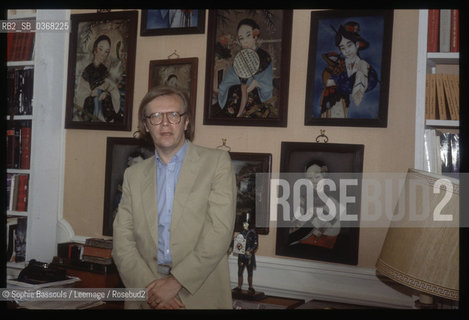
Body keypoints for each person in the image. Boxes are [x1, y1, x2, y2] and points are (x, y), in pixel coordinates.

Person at [112, 85, 237, 309]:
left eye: (174, 115)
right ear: (146, 126)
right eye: (156, 116)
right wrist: (153, 288)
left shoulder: (217, 163)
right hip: (145, 295)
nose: (166, 123)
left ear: (186, 122)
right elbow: (122, 243)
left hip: (199, 293)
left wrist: (175, 283)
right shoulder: (133, 175)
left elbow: (219, 233)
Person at [215, 18, 273, 118]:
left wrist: (256, 84)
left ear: (255, 36)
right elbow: (227, 83)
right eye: (241, 38)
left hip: (256, 102)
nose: (245, 41)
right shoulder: (239, 58)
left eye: (248, 36)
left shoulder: (264, 57)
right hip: (236, 100)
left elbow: (267, 87)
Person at [319, 21, 378, 118]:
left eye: (349, 45)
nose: (346, 50)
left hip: (351, 109)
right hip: (335, 105)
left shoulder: (365, 67)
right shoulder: (339, 66)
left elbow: (370, 83)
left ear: (357, 45)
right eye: (342, 47)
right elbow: (329, 82)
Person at [287, 160, 342, 249]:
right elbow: (293, 227)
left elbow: (333, 229)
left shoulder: (333, 203)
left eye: (317, 177)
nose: (314, 181)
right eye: (309, 178)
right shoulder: (301, 200)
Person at [75, 35, 122, 123]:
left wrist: (106, 94)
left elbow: (113, 91)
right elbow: (81, 94)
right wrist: (92, 95)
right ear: (95, 49)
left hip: (104, 114)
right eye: (100, 49)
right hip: (90, 112)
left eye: (106, 52)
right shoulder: (87, 71)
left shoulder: (106, 72)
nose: (103, 54)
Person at [232, 213, 258, 295]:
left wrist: (250, 250)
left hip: (249, 256)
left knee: (250, 272)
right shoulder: (241, 233)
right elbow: (238, 244)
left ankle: (250, 287)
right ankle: (239, 287)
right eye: (243, 223)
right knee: (240, 271)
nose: (244, 225)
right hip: (241, 256)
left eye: (246, 223)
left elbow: (256, 244)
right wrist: (235, 243)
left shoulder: (253, 233)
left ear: (249, 224)